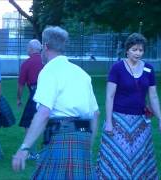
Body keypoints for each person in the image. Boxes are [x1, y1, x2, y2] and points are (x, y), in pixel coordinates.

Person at [12, 26, 99, 179]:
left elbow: (44, 112)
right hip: (83, 140)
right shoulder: (81, 73)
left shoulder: (49, 71)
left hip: (60, 138)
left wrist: (25, 147)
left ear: (45, 46)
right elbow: (96, 113)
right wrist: (89, 147)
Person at [96, 33, 161, 179]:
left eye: (141, 50)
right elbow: (109, 96)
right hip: (118, 120)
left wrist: (160, 119)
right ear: (127, 50)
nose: (138, 53)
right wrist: (109, 122)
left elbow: (153, 96)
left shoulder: (149, 69)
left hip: (141, 122)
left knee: (139, 158)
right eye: (134, 49)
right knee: (116, 158)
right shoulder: (117, 68)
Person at [17, 39, 44, 159]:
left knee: (28, 123)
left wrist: (19, 99)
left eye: (28, 48)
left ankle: (32, 153)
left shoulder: (27, 63)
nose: (27, 50)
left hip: (36, 94)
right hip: (50, 93)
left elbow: (21, 84)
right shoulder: (47, 61)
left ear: (32, 49)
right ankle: (46, 151)